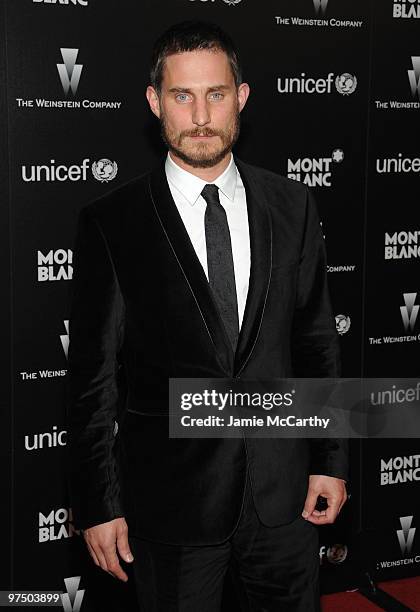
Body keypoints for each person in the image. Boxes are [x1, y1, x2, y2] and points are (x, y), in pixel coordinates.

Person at [66, 20, 348, 611]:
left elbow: (315, 341)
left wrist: (330, 460)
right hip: (170, 506)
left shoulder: (292, 204)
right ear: (154, 103)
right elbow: (92, 381)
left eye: (216, 94)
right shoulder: (113, 222)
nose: (200, 115)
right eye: (182, 95)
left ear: (241, 97)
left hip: (283, 501)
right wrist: (99, 504)